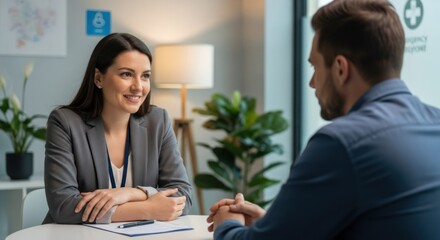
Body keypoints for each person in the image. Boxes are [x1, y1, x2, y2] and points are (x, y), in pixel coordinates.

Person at [208, 0, 440, 239]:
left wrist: (227, 223)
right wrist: (272, 223)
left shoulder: (342, 143)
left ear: (341, 69)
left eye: (315, 67)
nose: (311, 83)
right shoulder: (435, 123)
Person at [44, 33, 192, 224]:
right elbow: (64, 207)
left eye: (145, 76)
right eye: (126, 74)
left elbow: (183, 196)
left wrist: (130, 193)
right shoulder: (64, 122)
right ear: (98, 78)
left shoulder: (158, 121)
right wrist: (147, 209)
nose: (138, 87)